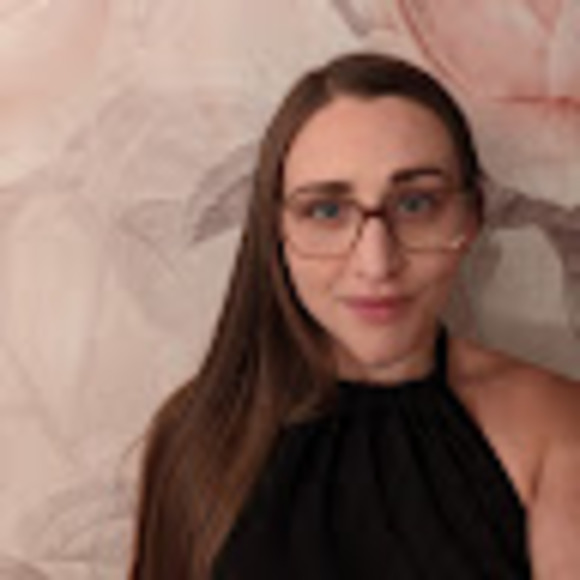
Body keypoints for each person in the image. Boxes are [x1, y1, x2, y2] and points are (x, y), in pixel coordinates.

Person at [128, 52, 580, 580]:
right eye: (326, 210)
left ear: (471, 215)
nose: (376, 263)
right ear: (277, 230)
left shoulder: (555, 426)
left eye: (416, 204)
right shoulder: (197, 433)